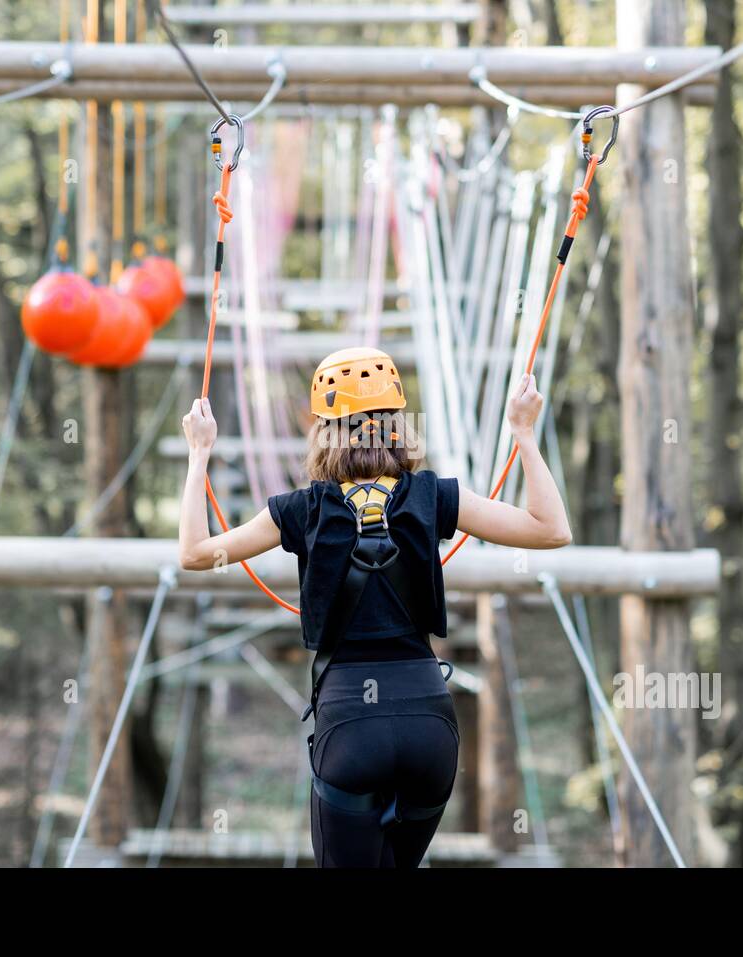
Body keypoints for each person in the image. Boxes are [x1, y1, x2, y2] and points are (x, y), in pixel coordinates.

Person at [179, 347, 571, 867]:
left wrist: (199, 453)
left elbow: (195, 554)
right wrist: (523, 433)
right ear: (397, 425)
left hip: (350, 729)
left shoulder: (300, 510)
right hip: (430, 729)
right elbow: (551, 531)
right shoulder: (436, 497)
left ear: (322, 430)